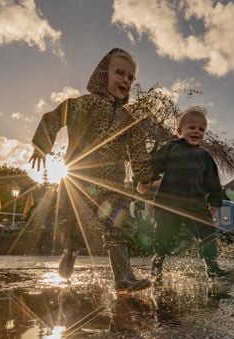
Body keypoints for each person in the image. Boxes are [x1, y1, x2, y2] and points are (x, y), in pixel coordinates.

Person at [29, 48, 155, 293]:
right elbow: (53, 118)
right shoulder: (84, 104)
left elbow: (138, 151)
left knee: (119, 224)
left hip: (112, 186)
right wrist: (41, 147)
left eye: (130, 78)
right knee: (76, 226)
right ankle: (70, 251)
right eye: (120, 73)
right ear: (102, 75)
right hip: (80, 180)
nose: (125, 81)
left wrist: (144, 178)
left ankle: (123, 278)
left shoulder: (129, 120)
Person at [142, 106, 229, 283]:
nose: (196, 131)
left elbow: (212, 181)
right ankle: (157, 263)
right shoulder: (171, 148)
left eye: (201, 129)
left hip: (196, 203)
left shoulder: (205, 156)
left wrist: (214, 202)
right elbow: (154, 164)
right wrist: (146, 179)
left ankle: (211, 265)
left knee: (207, 233)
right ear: (179, 131)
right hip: (168, 202)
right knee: (163, 235)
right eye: (191, 127)